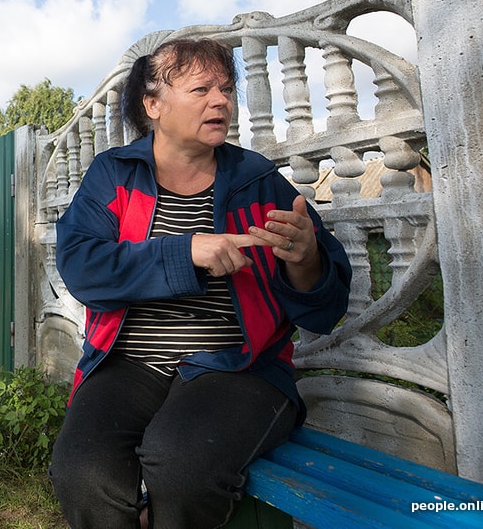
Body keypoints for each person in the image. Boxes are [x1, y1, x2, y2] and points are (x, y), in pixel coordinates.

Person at [48, 39, 351, 528]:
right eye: (201, 88)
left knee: (183, 461)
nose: (222, 101)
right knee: (82, 471)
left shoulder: (257, 179)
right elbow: (82, 266)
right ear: (153, 105)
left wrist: (306, 260)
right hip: (129, 362)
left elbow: (324, 310)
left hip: (237, 367)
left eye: (227, 89)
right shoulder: (114, 174)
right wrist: (187, 251)